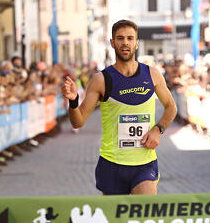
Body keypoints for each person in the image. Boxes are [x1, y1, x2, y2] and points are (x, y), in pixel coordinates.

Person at [62, 19, 177, 195]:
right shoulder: (101, 79)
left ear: (136, 43)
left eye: (130, 38)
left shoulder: (152, 75)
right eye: (120, 38)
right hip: (112, 164)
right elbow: (78, 122)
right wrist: (73, 101)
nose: (125, 42)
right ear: (112, 43)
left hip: (144, 163)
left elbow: (171, 107)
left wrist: (158, 130)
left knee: (145, 217)